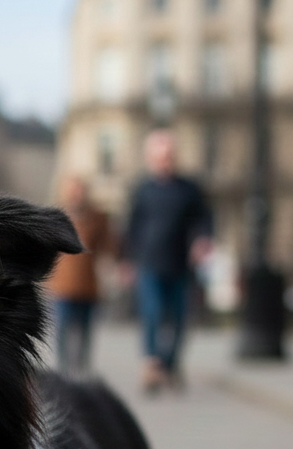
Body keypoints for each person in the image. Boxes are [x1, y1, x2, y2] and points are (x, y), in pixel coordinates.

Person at [124, 129, 213, 392]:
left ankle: (170, 365)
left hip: (181, 264)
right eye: (161, 156)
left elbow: (204, 219)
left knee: (179, 319)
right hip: (149, 263)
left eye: (170, 155)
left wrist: (203, 239)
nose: (166, 160)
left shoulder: (190, 189)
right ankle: (151, 366)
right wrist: (127, 261)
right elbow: (132, 227)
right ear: (151, 158)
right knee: (151, 314)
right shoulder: (142, 189)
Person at [47, 175, 116, 377]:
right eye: (72, 190)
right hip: (62, 286)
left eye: (80, 190)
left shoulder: (98, 217)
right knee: (62, 330)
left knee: (85, 332)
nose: (76, 194)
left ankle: (82, 370)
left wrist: (112, 265)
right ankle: (63, 370)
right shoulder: (56, 216)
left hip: (88, 285)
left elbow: (108, 247)